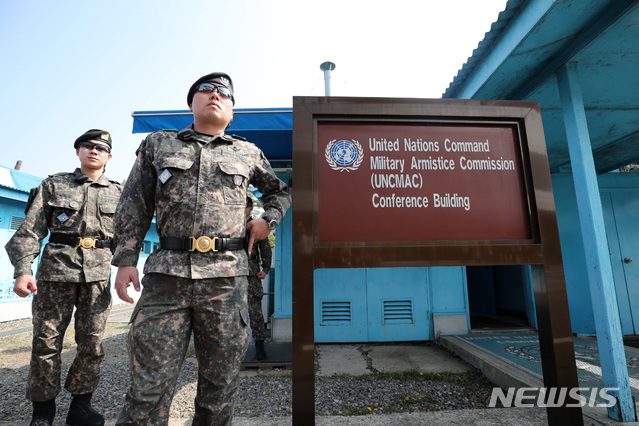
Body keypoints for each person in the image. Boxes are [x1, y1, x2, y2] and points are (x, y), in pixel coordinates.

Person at [111, 72, 291, 425]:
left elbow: (279, 191)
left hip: (226, 281)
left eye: (224, 93)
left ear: (232, 110)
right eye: (206, 90)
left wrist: (267, 220)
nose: (214, 95)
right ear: (191, 103)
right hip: (167, 279)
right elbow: (134, 201)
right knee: (148, 387)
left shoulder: (247, 152)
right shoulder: (159, 144)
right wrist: (126, 260)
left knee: (219, 388)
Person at [5, 129, 122, 426]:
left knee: (92, 344)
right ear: (77, 151)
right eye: (87, 145)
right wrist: (22, 271)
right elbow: (30, 231)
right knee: (45, 343)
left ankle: (81, 408)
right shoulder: (54, 185)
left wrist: (128, 270)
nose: (93, 150)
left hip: (98, 279)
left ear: (110, 156)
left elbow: (129, 237)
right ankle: (42, 413)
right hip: (55, 275)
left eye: (100, 147)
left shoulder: (120, 193)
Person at [245, 196, 273, 361]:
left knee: (255, 311)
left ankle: (259, 345)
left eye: (246, 205)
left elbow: (265, 248)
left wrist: (266, 268)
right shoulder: (230, 226)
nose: (243, 208)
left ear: (250, 207)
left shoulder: (256, 226)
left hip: (252, 274)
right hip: (231, 274)